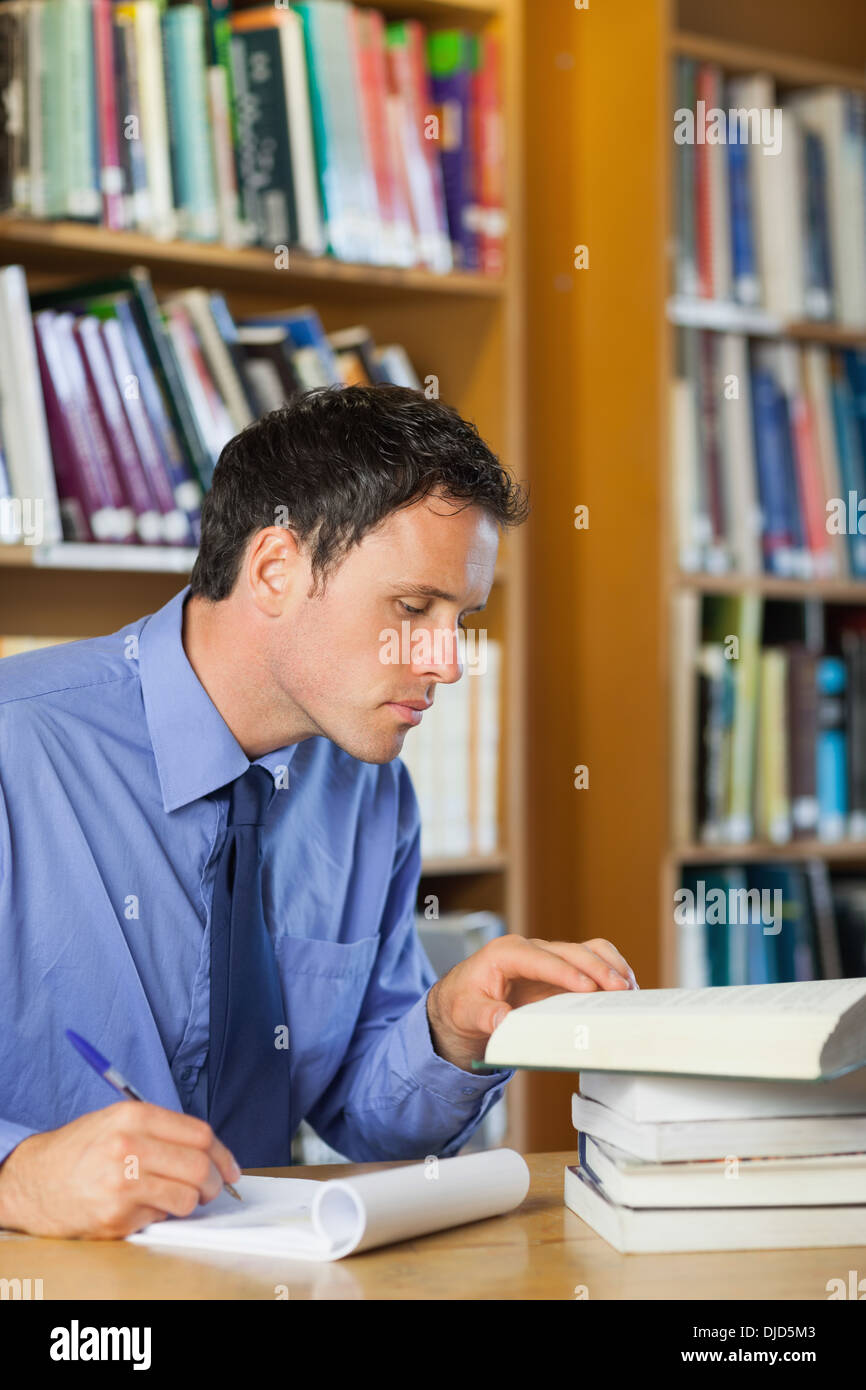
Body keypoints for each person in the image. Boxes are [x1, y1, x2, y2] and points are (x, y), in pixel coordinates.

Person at [0, 384, 637, 1239]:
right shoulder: (16, 749)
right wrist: (18, 1180)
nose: (448, 663)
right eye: (413, 609)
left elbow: (360, 1118)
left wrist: (448, 1031)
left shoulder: (370, 794)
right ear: (273, 569)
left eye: (462, 619)